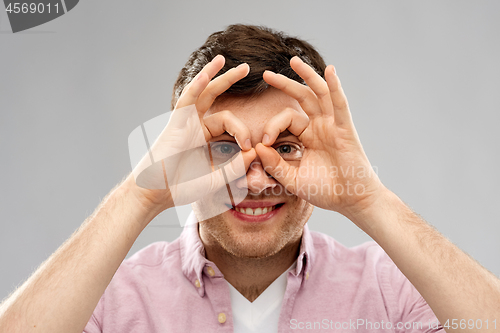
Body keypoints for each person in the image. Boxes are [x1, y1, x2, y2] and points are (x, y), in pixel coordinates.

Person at [0, 24, 499, 333]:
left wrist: (367, 198)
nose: (256, 180)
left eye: (285, 148)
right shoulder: (112, 299)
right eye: (224, 147)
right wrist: (144, 194)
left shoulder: (389, 291)